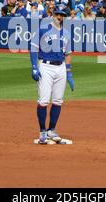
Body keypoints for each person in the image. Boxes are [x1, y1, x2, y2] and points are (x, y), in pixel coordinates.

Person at [30, 9, 74, 145]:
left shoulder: (66, 33)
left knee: (58, 100)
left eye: (62, 15)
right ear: (53, 15)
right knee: (43, 100)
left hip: (60, 67)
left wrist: (69, 73)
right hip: (45, 66)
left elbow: (67, 54)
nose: (59, 17)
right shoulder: (43, 30)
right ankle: (42, 132)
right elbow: (33, 48)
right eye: (57, 14)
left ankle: (51, 130)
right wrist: (34, 67)